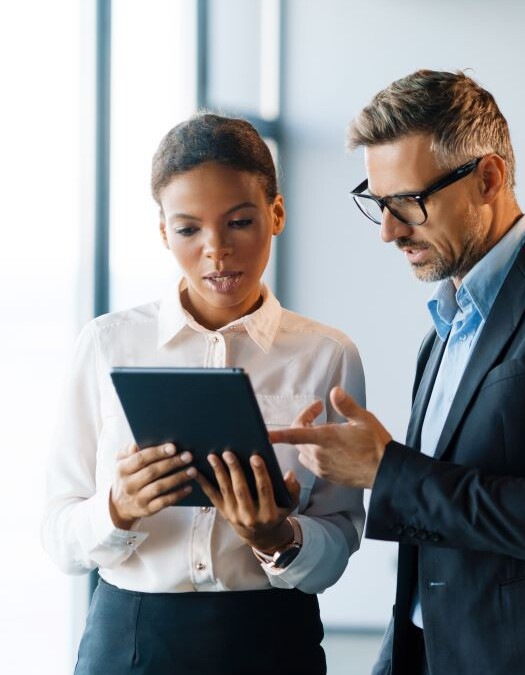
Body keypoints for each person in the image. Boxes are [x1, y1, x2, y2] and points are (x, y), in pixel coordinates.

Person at [268, 70, 525, 675]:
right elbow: (439, 562)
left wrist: (386, 469)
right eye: (379, 204)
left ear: (488, 178)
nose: (389, 231)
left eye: (409, 203)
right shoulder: (444, 332)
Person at [42, 114, 366, 675]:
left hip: (272, 643)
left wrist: (278, 538)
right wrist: (117, 509)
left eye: (239, 221)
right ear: (164, 232)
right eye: (189, 229)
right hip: (128, 642)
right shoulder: (106, 344)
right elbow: (58, 535)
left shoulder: (327, 356)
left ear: (277, 214)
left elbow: (338, 539)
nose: (216, 250)